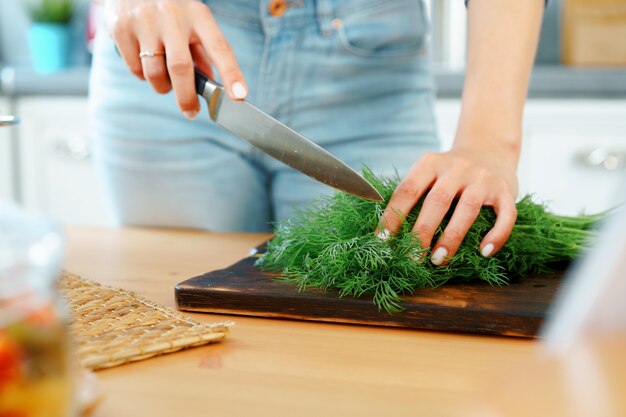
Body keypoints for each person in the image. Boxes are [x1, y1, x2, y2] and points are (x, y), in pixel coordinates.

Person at [89, 0, 544, 266]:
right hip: (173, 52)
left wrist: (490, 141)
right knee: (166, 319)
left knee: (383, 326)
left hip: (369, 56)